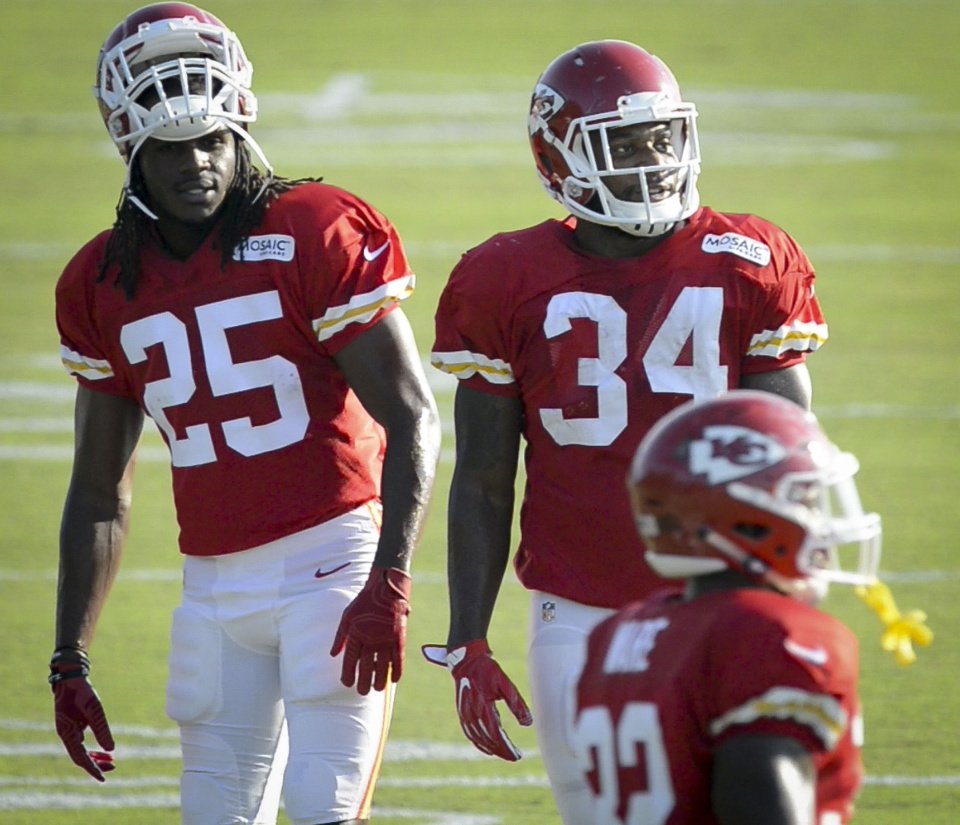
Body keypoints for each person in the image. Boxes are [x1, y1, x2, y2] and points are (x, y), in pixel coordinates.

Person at [49, 5, 441, 825]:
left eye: (212, 138)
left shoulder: (313, 227)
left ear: (239, 131)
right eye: (171, 146)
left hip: (333, 564)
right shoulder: (100, 281)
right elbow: (98, 492)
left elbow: (412, 417)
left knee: (324, 808)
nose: (197, 162)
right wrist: (68, 657)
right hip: (214, 587)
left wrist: (391, 578)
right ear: (133, 151)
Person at [427, 39, 829, 823]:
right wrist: (467, 639)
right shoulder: (504, 277)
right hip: (580, 614)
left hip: (724, 603)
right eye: (622, 143)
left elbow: (791, 450)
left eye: (661, 138)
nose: (651, 161)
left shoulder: (747, 258)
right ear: (559, 158)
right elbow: (481, 473)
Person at [572, 390, 883, 824]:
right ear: (747, 517)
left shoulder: (616, 636)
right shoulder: (767, 635)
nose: (820, 519)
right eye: (804, 499)